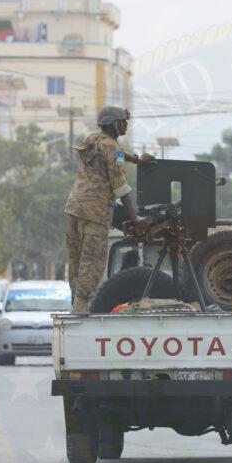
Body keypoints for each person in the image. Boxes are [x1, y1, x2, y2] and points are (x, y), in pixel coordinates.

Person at [63, 105, 154, 314]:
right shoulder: (113, 149)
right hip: (95, 212)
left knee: (75, 257)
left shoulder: (93, 139)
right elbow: (121, 186)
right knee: (92, 259)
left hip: (74, 208)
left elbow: (116, 152)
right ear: (115, 124)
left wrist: (137, 160)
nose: (125, 126)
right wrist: (136, 217)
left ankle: (74, 302)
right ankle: (80, 307)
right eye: (123, 122)